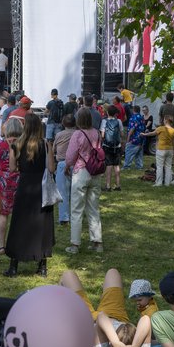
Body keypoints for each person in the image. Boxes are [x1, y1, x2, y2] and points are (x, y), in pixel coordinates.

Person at [61, 269, 153, 347]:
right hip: (118, 315)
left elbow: (101, 317)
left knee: (68, 275)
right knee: (113, 272)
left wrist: (116, 343)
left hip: (89, 319)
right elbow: (145, 319)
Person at [3, 112, 54, 277]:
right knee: (42, 225)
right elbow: (51, 169)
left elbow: (12, 169)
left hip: (25, 187)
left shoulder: (17, 144)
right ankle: (42, 266)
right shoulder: (45, 145)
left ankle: (13, 266)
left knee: (19, 224)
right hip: (41, 188)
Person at [65, 107, 103, 254]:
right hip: (95, 172)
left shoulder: (77, 134)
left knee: (76, 209)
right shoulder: (97, 133)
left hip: (81, 172)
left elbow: (70, 156)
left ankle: (75, 244)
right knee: (93, 208)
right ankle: (97, 242)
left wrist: (67, 166)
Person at [0, 118, 23, 255]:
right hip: (19, 178)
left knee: (3, 214)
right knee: (19, 214)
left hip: (3, 179)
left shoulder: (0, 144)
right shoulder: (23, 144)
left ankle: (1, 245)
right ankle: (18, 243)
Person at [54, 113, 77, 225]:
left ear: (63, 123)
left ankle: (64, 218)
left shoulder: (59, 135)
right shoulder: (78, 134)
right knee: (76, 192)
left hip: (62, 163)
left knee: (62, 192)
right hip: (77, 163)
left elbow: (54, 149)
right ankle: (75, 216)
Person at [145, 115, 174, 186]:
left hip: (161, 149)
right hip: (170, 150)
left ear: (166, 120)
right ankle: (167, 183)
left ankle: (159, 183)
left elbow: (152, 133)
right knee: (168, 167)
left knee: (159, 167)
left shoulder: (160, 128)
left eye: (163, 119)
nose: (163, 121)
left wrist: (144, 134)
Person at [101, 106, 124, 191]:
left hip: (107, 146)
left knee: (109, 165)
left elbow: (103, 135)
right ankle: (118, 185)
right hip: (117, 146)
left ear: (107, 113)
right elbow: (122, 134)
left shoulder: (104, 121)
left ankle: (108, 186)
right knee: (116, 165)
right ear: (115, 114)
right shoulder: (119, 121)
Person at [123, 105, 145, 170]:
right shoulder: (141, 117)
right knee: (139, 153)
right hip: (141, 138)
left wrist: (128, 139)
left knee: (129, 152)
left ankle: (126, 166)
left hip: (134, 138)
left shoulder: (133, 117)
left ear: (133, 110)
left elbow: (132, 129)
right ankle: (139, 166)